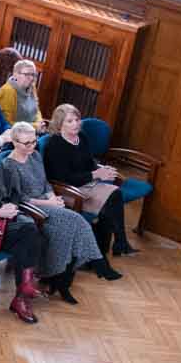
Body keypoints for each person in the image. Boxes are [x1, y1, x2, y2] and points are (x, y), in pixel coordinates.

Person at [1, 120, 116, 286]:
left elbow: (45, 182)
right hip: (31, 208)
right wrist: (49, 204)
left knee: (72, 227)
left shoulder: (35, 155)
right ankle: (95, 262)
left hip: (47, 202)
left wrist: (52, 197)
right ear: (14, 142)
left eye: (33, 141)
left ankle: (64, 277)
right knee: (76, 220)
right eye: (26, 143)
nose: (31, 146)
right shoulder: (8, 165)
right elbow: (20, 199)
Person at [41, 103, 135, 262]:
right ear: (59, 124)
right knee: (111, 201)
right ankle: (115, 245)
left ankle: (107, 248)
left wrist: (102, 170)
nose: (76, 124)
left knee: (113, 197)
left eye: (77, 119)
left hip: (87, 182)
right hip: (67, 189)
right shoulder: (54, 144)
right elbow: (61, 177)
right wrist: (95, 174)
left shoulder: (82, 137)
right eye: (69, 121)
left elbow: (89, 162)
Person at [0, 57, 43, 129]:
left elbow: (36, 109)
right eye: (27, 74)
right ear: (15, 74)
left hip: (32, 130)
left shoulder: (32, 87)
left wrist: (40, 122)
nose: (31, 78)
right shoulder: (8, 91)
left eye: (33, 75)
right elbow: (7, 122)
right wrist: (35, 126)